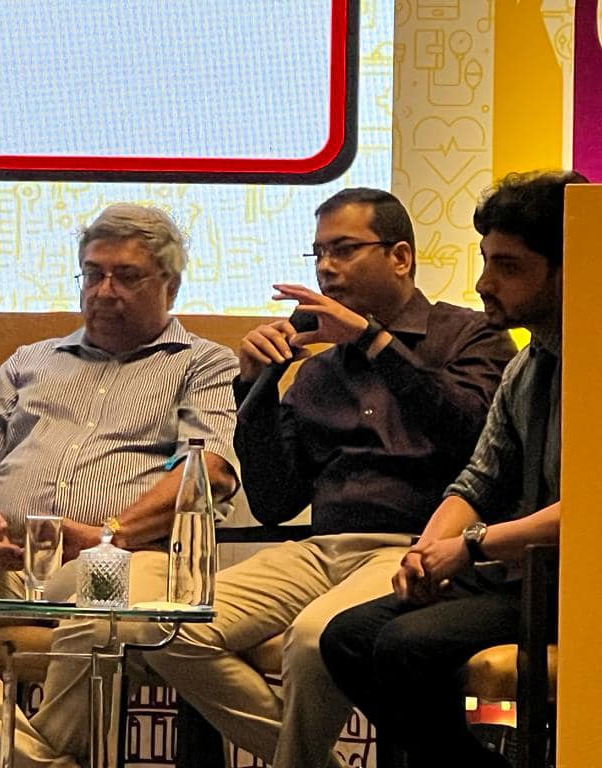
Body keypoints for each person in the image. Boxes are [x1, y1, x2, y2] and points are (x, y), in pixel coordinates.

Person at [144, 187, 518, 768]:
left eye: (343, 249)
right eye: (318, 253)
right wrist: (254, 386)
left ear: (400, 257)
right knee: (164, 624)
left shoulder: (469, 335)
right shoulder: (318, 372)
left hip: (415, 546)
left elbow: (472, 437)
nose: (325, 267)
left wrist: (372, 342)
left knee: (313, 637)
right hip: (319, 551)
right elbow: (274, 502)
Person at [0, 203, 240, 768]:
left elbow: (207, 469)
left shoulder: (203, 362)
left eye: (127, 276)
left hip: (120, 555)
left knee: (102, 608)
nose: (104, 291)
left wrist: (107, 536)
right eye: (93, 274)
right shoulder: (31, 360)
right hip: (5, 551)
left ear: (170, 286)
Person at [320, 170, 586, 768]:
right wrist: (426, 551)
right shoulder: (528, 365)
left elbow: (590, 513)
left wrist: (469, 546)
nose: (484, 283)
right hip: (523, 576)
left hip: (577, 586)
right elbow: (479, 480)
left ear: (569, 271)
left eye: (508, 267)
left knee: (406, 646)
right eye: (486, 261)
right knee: (347, 638)